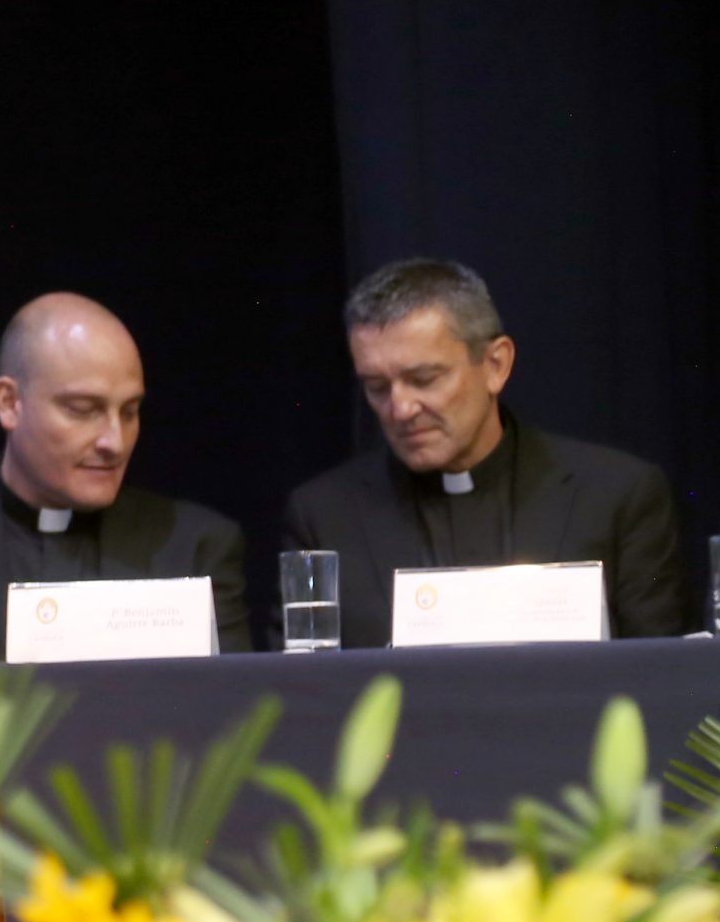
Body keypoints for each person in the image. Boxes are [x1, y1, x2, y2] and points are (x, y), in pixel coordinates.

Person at [282, 259, 685, 647]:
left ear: (496, 365)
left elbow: (662, 676)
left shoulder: (615, 494)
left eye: (424, 379)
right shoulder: (324, 516)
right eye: (376, 387)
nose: (400, 408)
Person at [0, 293, 251, 656]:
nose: (115, 442)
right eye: (83, 410)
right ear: (10, 403)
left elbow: (238, 708)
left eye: (128, 412)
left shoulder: (194, 547)